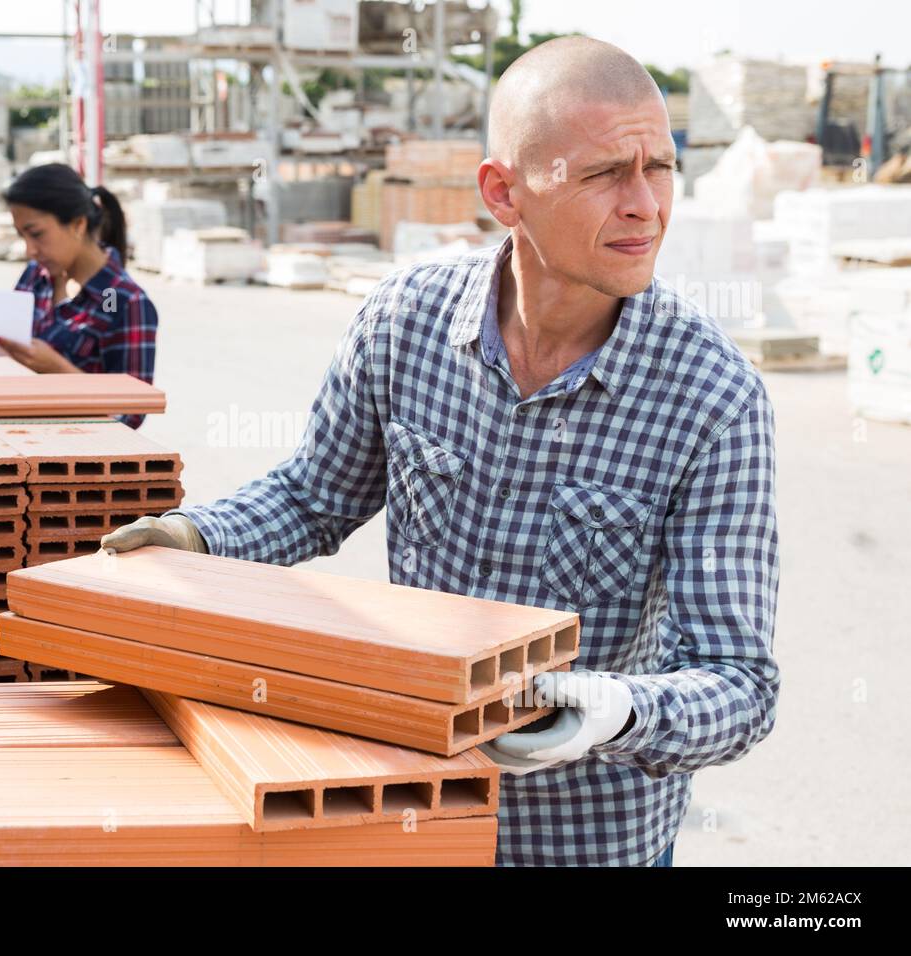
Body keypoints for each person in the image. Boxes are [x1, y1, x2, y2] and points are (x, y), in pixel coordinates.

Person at [101, 36, 781, 867]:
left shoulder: (713, 397)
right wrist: (194, 538)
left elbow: (737, 681)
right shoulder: (407, 323)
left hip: (588, 844)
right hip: (415, 813)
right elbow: (313, 497)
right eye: (605, 174)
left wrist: (615, 709)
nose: (646, 204)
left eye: (661, 167)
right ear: (504, 191)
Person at [0, 163, 158, 428]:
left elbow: (130, 414)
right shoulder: (36, 278)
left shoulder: (124, 302)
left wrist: (58, 370)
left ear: (78, 224)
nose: (29, 250)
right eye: (22, 235)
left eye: (37, 234)